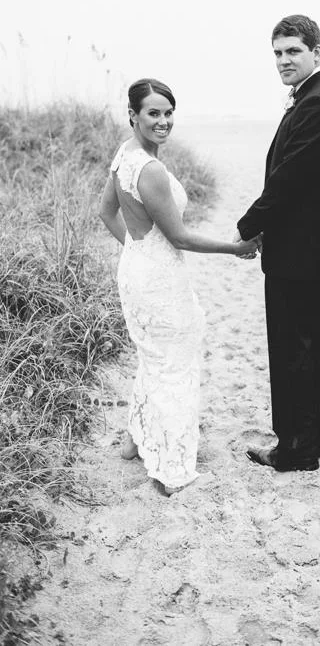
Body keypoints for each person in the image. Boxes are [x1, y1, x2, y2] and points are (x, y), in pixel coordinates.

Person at [99, 79, 257, 495]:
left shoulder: (126, 154)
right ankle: (171, 470)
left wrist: (139, 253)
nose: (163, 121)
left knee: (153, 358)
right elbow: (181, 238)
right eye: (153, 113)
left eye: (168, 113)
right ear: (132, 115)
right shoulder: (149, 171)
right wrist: (234, 247)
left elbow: (106, 211)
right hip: (159, 282)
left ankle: (134, 443)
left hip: (137, 273)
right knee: (174, 366)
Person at [235, 15, 320, 472]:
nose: (283, 61)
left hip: (302, 253)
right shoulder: (318, 96)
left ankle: (296, 449)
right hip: (315, 249)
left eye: (293, 52)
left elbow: (289, 180)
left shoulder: (318, 103)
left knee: (292, 351)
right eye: (278, 54)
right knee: (316, 346)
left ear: (317, 53)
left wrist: (248, 226)